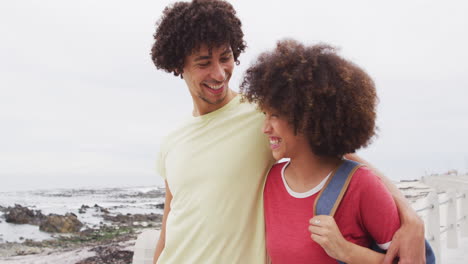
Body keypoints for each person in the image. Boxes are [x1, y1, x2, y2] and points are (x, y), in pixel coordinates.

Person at [150, 0, 425, 263]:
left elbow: (344, 160)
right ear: (177, 65)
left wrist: (410, 216)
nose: (220, 73)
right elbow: (170, 224)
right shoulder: (172, 141)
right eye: (203, 63)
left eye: (226, 57)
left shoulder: (263, 114)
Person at [241, 39, 401, 263]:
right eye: (265, 115)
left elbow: (410, 258)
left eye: (275, 115)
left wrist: (346, 251)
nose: (265, 128)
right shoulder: (271, 182)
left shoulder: (361, 185)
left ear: (307, 118)